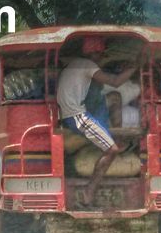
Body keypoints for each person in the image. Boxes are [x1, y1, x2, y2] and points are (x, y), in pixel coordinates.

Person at [57, 36, 137, 206]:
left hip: (69, 114)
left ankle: (112, 135)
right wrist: (134, 68)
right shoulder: (88, 65)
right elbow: (115, 82)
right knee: (112, 150)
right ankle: (89, 190)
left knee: (112, 97)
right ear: (95, 54)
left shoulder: (72, 65)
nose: (101, 59)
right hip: (78, 116)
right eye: (101, 55)